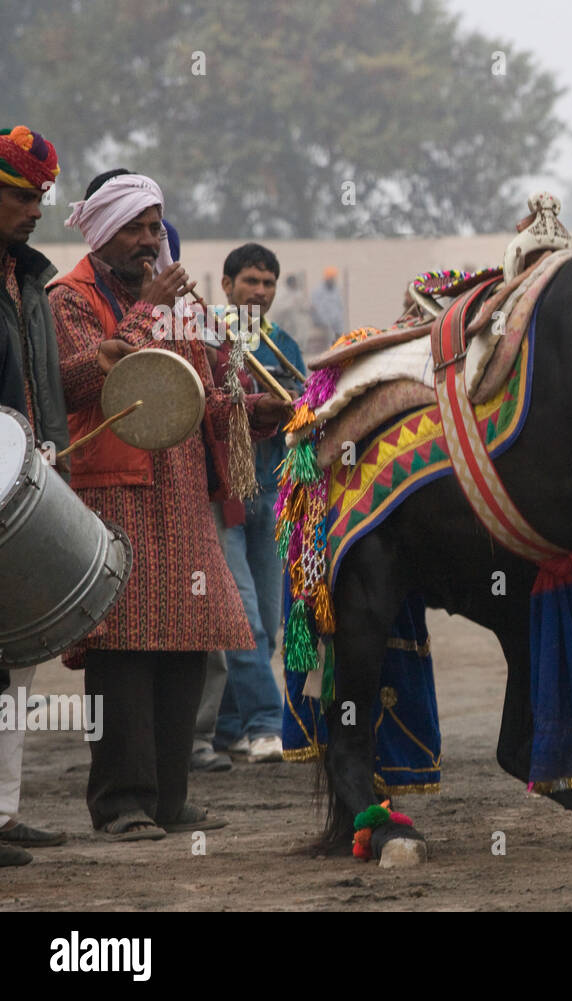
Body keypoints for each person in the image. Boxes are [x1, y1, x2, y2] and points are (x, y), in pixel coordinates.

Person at [49, 171, 291, 840]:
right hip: (112, 494)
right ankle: (120, 802)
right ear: (102, 233)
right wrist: (148, 308)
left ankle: (168, 796)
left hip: (184, 495)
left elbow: (207, 396)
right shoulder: (67, 299)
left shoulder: (188, 311)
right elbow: (70, 381)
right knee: (122, 649)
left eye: (156, 227)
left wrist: (254, 410)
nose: (151, 240)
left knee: (187, 644)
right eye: (136, 228)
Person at [203, 242, 305, 764]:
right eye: (250, 282)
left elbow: (304, 413)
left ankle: (227, 728)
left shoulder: (282, 342)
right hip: (225, 498)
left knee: (268, 616)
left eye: (268, 284)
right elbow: (212, 407)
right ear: (226, 286)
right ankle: (267, 723)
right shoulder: (210, 337)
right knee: (246, 619)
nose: (260, 292)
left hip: (272, 495)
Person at [0, 124, 69, 868]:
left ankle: (4, 810)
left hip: (29, 482)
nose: (36, 209)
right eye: (21, 195)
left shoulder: (31, 279)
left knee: (15, 657)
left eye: (40, 196)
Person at [310, 266, 346, 346]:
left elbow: (339, 306)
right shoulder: (318, 291)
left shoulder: (337, 290)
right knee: (330, 337)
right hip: (323, 321)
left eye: (333, 278)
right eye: (330, 278)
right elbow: (317, 309)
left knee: (340, 335)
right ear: (326, 278)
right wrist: (326, 320)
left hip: (336, 321)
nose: (332, 280)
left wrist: (338, 319)